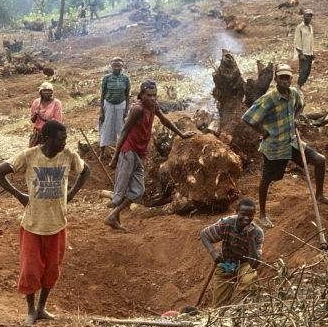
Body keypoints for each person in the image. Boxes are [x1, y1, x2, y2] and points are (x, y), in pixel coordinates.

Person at [0, 120, 90, 326]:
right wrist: (18, 194)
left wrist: (71, 194)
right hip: (32, 225)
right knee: (30, 270)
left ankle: (41, 308)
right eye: (60, 139)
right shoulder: (29, 156)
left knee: (52, 269)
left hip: (57, 224)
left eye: (65, 139)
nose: (64, 143)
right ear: (48, 139)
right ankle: (30, 311)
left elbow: (85, 171)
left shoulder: (68, 156)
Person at [243, 64, 328, 227]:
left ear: (291, 79)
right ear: (276, 79)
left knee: (320, 160)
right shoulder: (269, 98)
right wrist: (262, 131)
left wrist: (295, 118)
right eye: (282, 77)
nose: (285, 80)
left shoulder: (294, 93)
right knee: (269, 178)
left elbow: (300, 105)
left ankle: (320, 195)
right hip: (274, 146)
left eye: (288, 77)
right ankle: (263, 215)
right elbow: (248, 117)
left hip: (293, 141)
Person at [105, 80, 194, 229]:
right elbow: (124, 132)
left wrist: (181, 134)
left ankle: (113, 215)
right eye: (149, 95)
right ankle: (114, 213)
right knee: (121, 188)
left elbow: (165, 120)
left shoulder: (153, 106)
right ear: (141, 95)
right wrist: (115, 157)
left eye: (155, 95)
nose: (152, 98)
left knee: (138, 190)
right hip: (129, 150)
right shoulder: (137, 109)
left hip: (140, 152)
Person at [199, 198, 265, 307]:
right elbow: (204, 234)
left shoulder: (257, 233)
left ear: (254, 215)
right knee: (219, 306)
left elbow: (255, 264)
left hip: (245, 263)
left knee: (249, 279)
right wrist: (213, 253)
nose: (246, 218)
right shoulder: (226, 223)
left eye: (250, 215)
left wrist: (250, 239)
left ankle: (243, 307)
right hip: (227, 263)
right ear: (237, 212)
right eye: (243, 214)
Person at [97, 57, 131, 153]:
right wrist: (101, 111)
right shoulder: (106, 78)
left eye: (119, 65)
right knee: (106, 128)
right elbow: (103, 95)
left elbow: (127, 95)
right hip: (109, 105)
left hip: (121, 105)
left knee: (121, 129)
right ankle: (102, 152)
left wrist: (126, 111)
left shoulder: (125, 78)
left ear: (122, 66)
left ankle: (120, 152)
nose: (116, 67)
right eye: (114, 65)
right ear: (111, 66)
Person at [28, 81, 63, 147]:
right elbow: (32, 120)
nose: (47, 92)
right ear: (40, 92)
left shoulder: (56, 103)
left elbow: (58, 122)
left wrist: (43, 118)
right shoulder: (36, 102)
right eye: (45, 91)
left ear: (52, 92)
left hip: (51, 133)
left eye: (49, 91)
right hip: (38, 133)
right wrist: (36, 114)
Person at [293, 9, 316, 87]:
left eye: (310, 16)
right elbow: (297, 41)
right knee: (303, 71)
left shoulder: (310, 27)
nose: (309, 18)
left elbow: (311, 40)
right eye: (307, 16)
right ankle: (298, 87)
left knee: (308, 71)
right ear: (303, 17)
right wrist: (300, 54)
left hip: (309, 53)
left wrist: (313, 52)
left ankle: (301, 86)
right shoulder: (299, 27)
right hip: (303, 53)